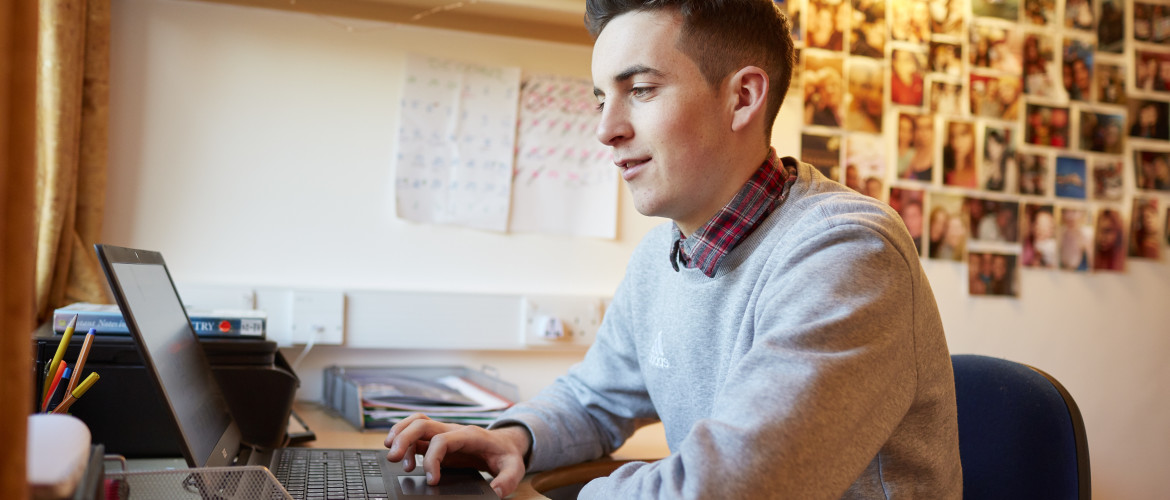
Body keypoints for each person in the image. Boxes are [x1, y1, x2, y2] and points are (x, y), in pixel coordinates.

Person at [383, 1, 963, 498]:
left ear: (742, 97)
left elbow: (735, 485)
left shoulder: (847, 252)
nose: (606, 129)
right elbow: (594, 399)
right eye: (599, 99)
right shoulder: (667, 254)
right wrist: (511, 438)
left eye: (639, 90)